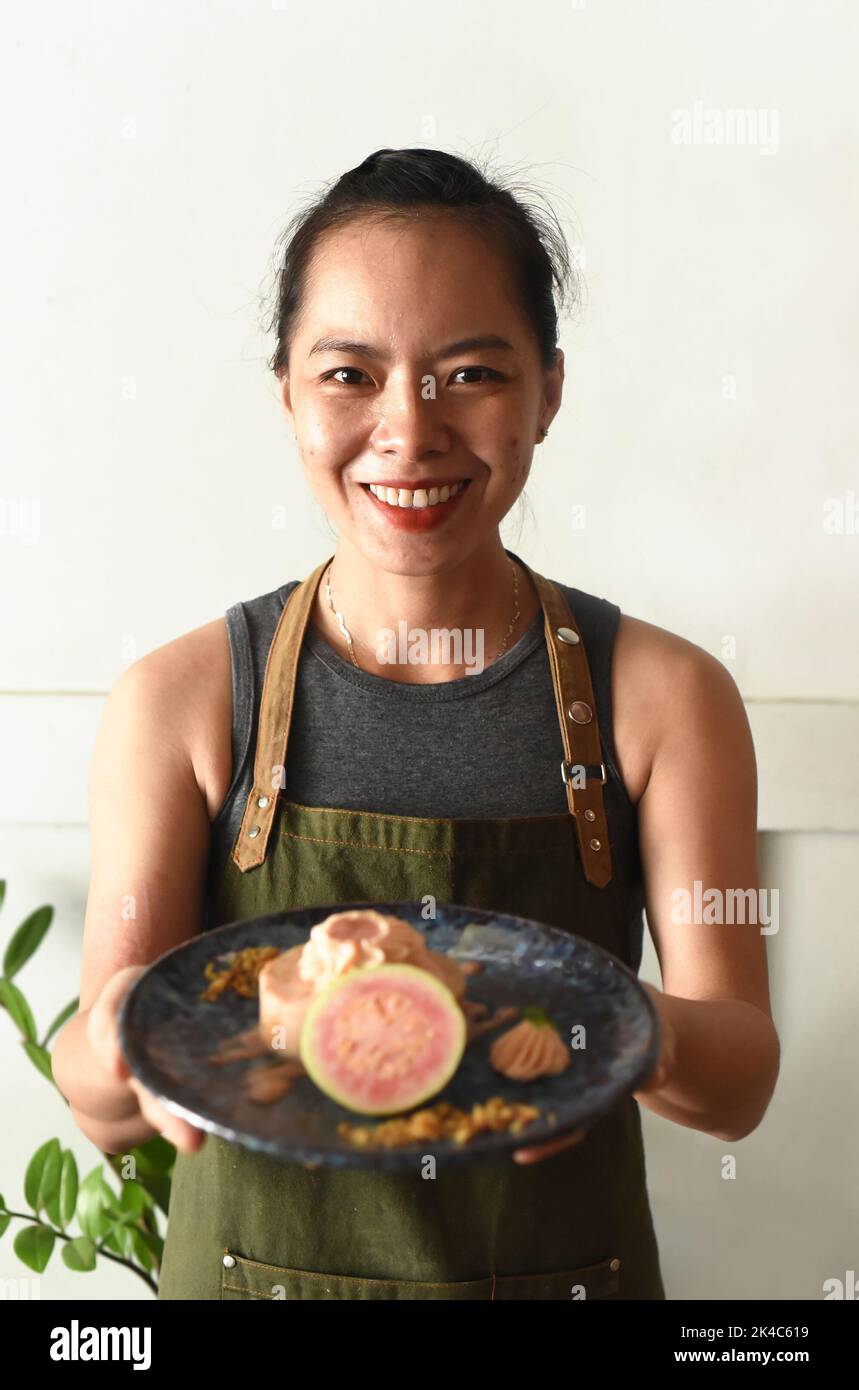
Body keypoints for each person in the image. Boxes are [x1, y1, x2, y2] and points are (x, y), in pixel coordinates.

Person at [53, 148, 780, 1300]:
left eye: (470, 373)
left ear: (547, 389)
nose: (409, 429)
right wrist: (117, 1041)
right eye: (349, 373)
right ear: (287, 394)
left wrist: (611, 1023)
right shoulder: (178, 700)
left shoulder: (663, 696)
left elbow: (738, 1083)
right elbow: (99, 1103)